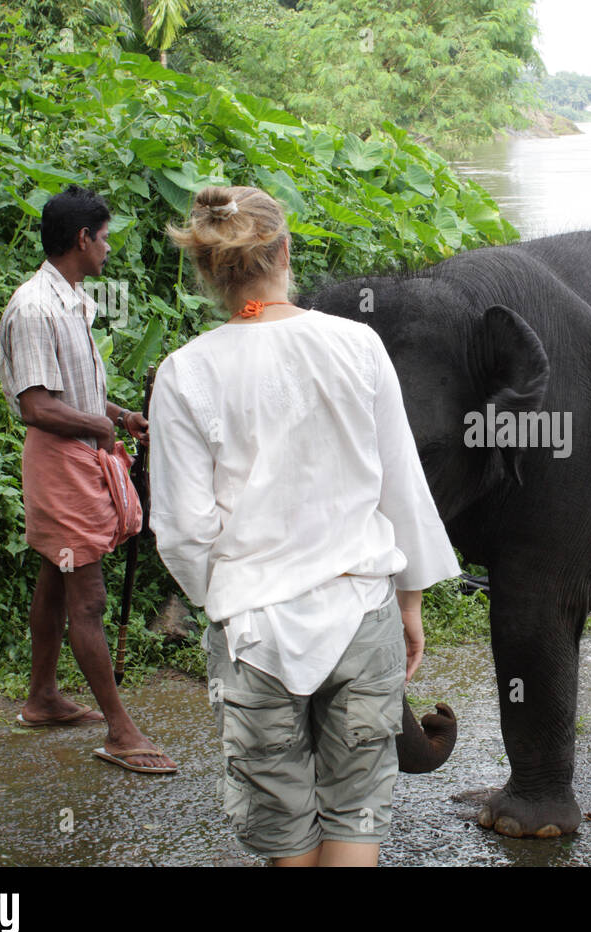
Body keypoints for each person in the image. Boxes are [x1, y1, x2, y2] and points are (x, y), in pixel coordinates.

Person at [150, 185, 460, 867]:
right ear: (286, 251)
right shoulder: (357, 345)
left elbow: (179, 528)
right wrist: (410, 604)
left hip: (255, 631)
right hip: (360, 609)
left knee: (285, 831)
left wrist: (231, 593)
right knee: (355, 816)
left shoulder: (185, 372)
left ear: (207, 271)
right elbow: (400, 488)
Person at [0, 184, 175, 772]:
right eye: (104, 237)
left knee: (57, 574)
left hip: (76, 456)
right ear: (82, 238)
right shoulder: (34, 307)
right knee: (89, 599)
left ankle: (43, 698)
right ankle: (123, 732)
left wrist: (120, 416)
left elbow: (76, 392)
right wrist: (100, 428)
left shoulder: (71, 299)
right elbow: (37, 407)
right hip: (60, 463)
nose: (107, 248)